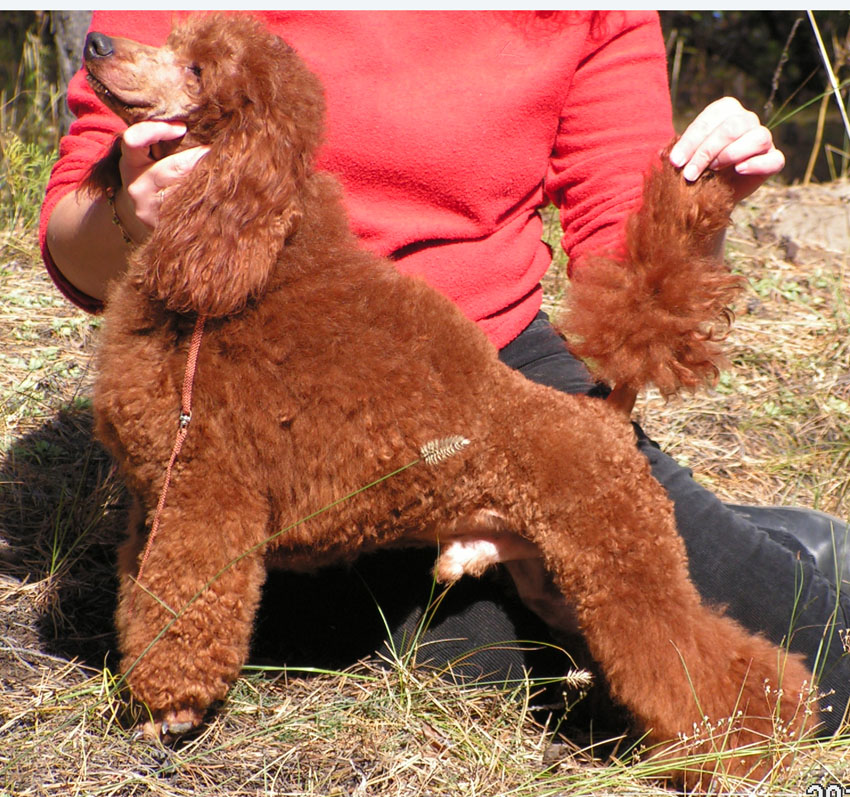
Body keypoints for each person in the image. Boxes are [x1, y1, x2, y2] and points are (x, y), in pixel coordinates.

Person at [41, 10, 849, 735]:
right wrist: (126, 207)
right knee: (487, 666)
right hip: (275, 365)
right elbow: (71, 239)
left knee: (814, 662)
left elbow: (618, 245)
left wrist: (699, 200)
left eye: (188, 71)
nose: (122, 56)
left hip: (502, 373)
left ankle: (778, 592)